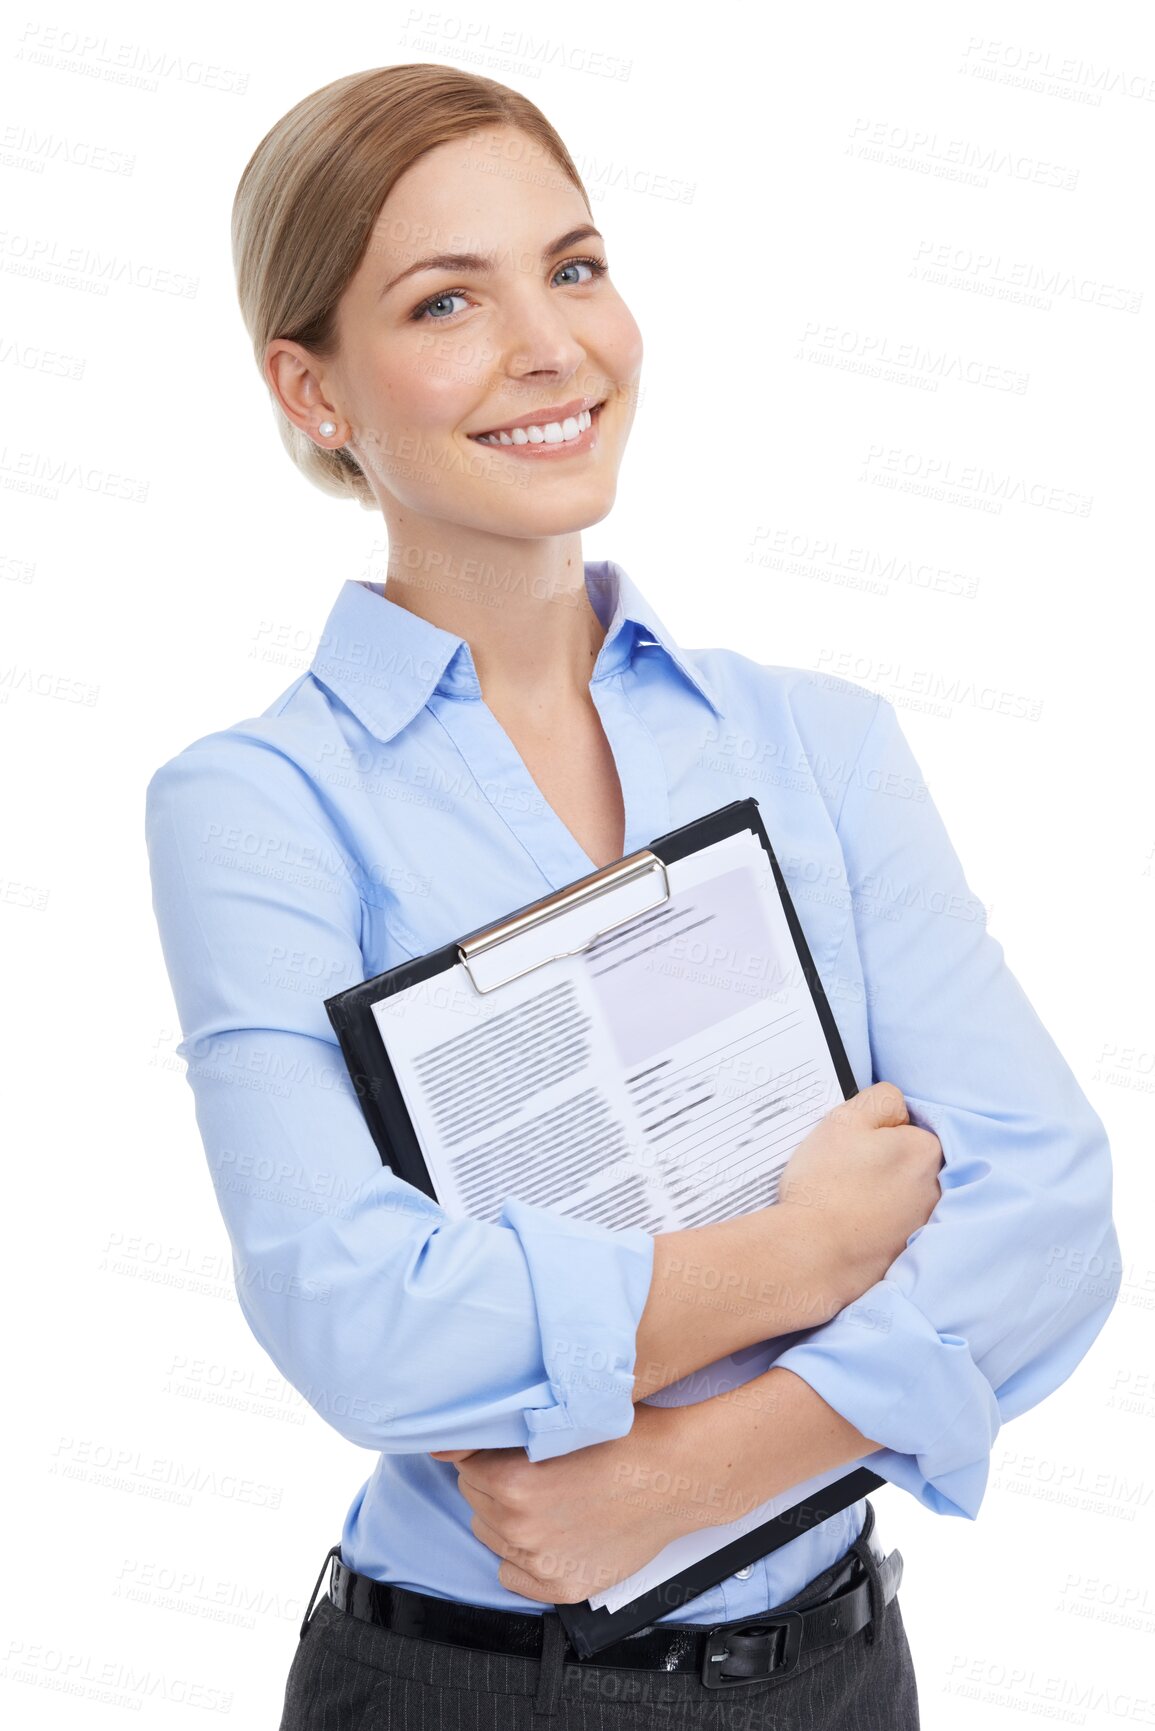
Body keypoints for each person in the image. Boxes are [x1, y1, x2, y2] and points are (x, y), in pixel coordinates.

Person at [144, 62, 1121, 1729]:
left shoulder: (817, 742)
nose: (548, 347)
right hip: (473, 1689)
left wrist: (691, 1468)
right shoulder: (257, 806)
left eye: (574, 267)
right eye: (448, 299)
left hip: (837, 1673)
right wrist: (813, 1247)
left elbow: (1050, 1213)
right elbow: (359, 1319)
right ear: (312, 390)